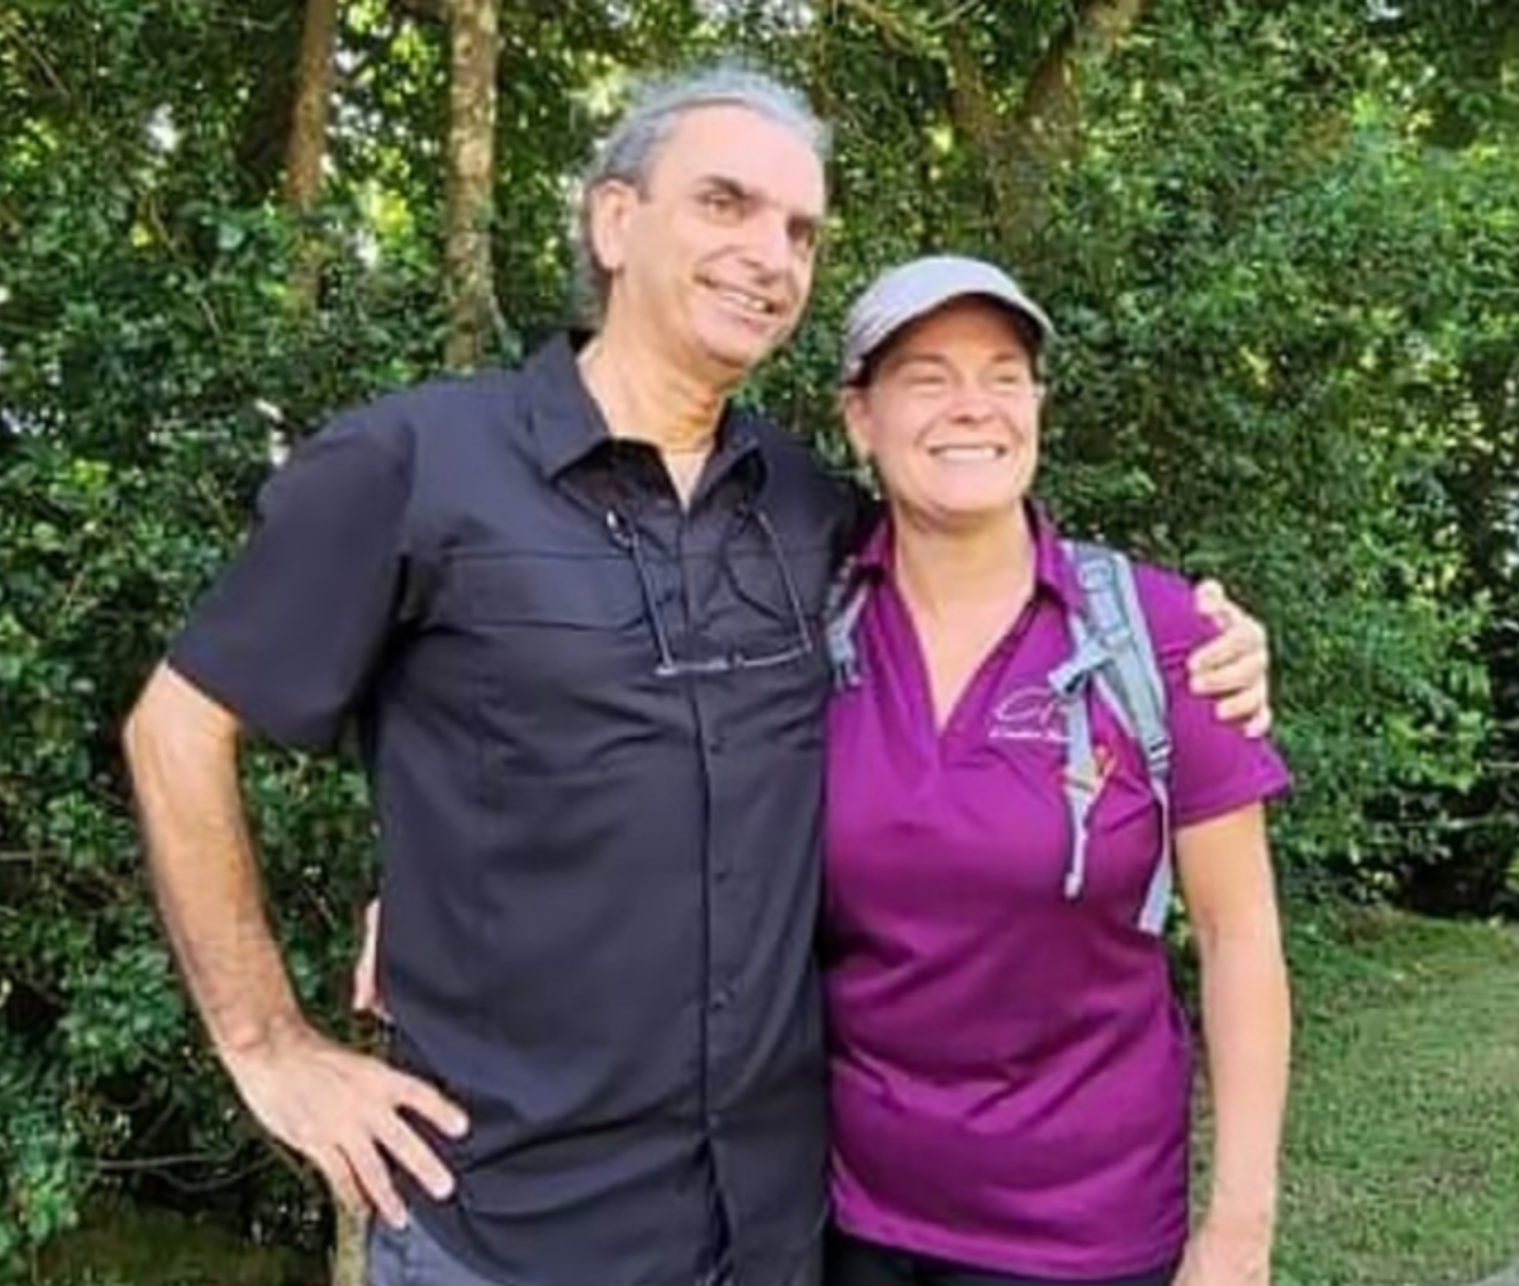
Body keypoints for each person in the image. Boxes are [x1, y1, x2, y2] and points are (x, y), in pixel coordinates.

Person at [124, 67, 1273, 1286]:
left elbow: (971, 562)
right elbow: (175, 727)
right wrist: (267, 1038)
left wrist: (1207, 638)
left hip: (773, 1225)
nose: (769, 254)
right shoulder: (414, 463)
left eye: (800, 229)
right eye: (726, 203)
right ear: (615, 222)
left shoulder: (809, 513)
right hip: (509, 1227)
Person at [816, 258, 1292, 1286]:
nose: (972, 406)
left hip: (1084, 1237)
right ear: (860, 417)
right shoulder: (806, 629)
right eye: (928, 377)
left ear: (1037, 406)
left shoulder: (1161, 635)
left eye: (1004, 375)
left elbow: (1240, 936)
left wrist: (1239, 1230)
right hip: (844, 1220)